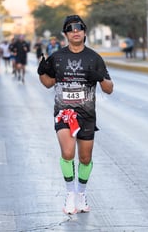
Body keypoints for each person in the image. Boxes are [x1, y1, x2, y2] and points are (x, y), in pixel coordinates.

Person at [37, 15, 114, 214]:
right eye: (71, 29)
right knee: (68, 153)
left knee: (86, 158)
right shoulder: (58, 57)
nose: (75, 31)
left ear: (84, 32)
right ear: (66, 34)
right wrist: (41, 72)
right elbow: (48, 83)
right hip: (64, 113)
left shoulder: (94, 58)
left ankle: (81, 193)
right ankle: (70, 194)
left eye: (79, 28)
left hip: (87, 114)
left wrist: (99, 78)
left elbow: (109, 89)